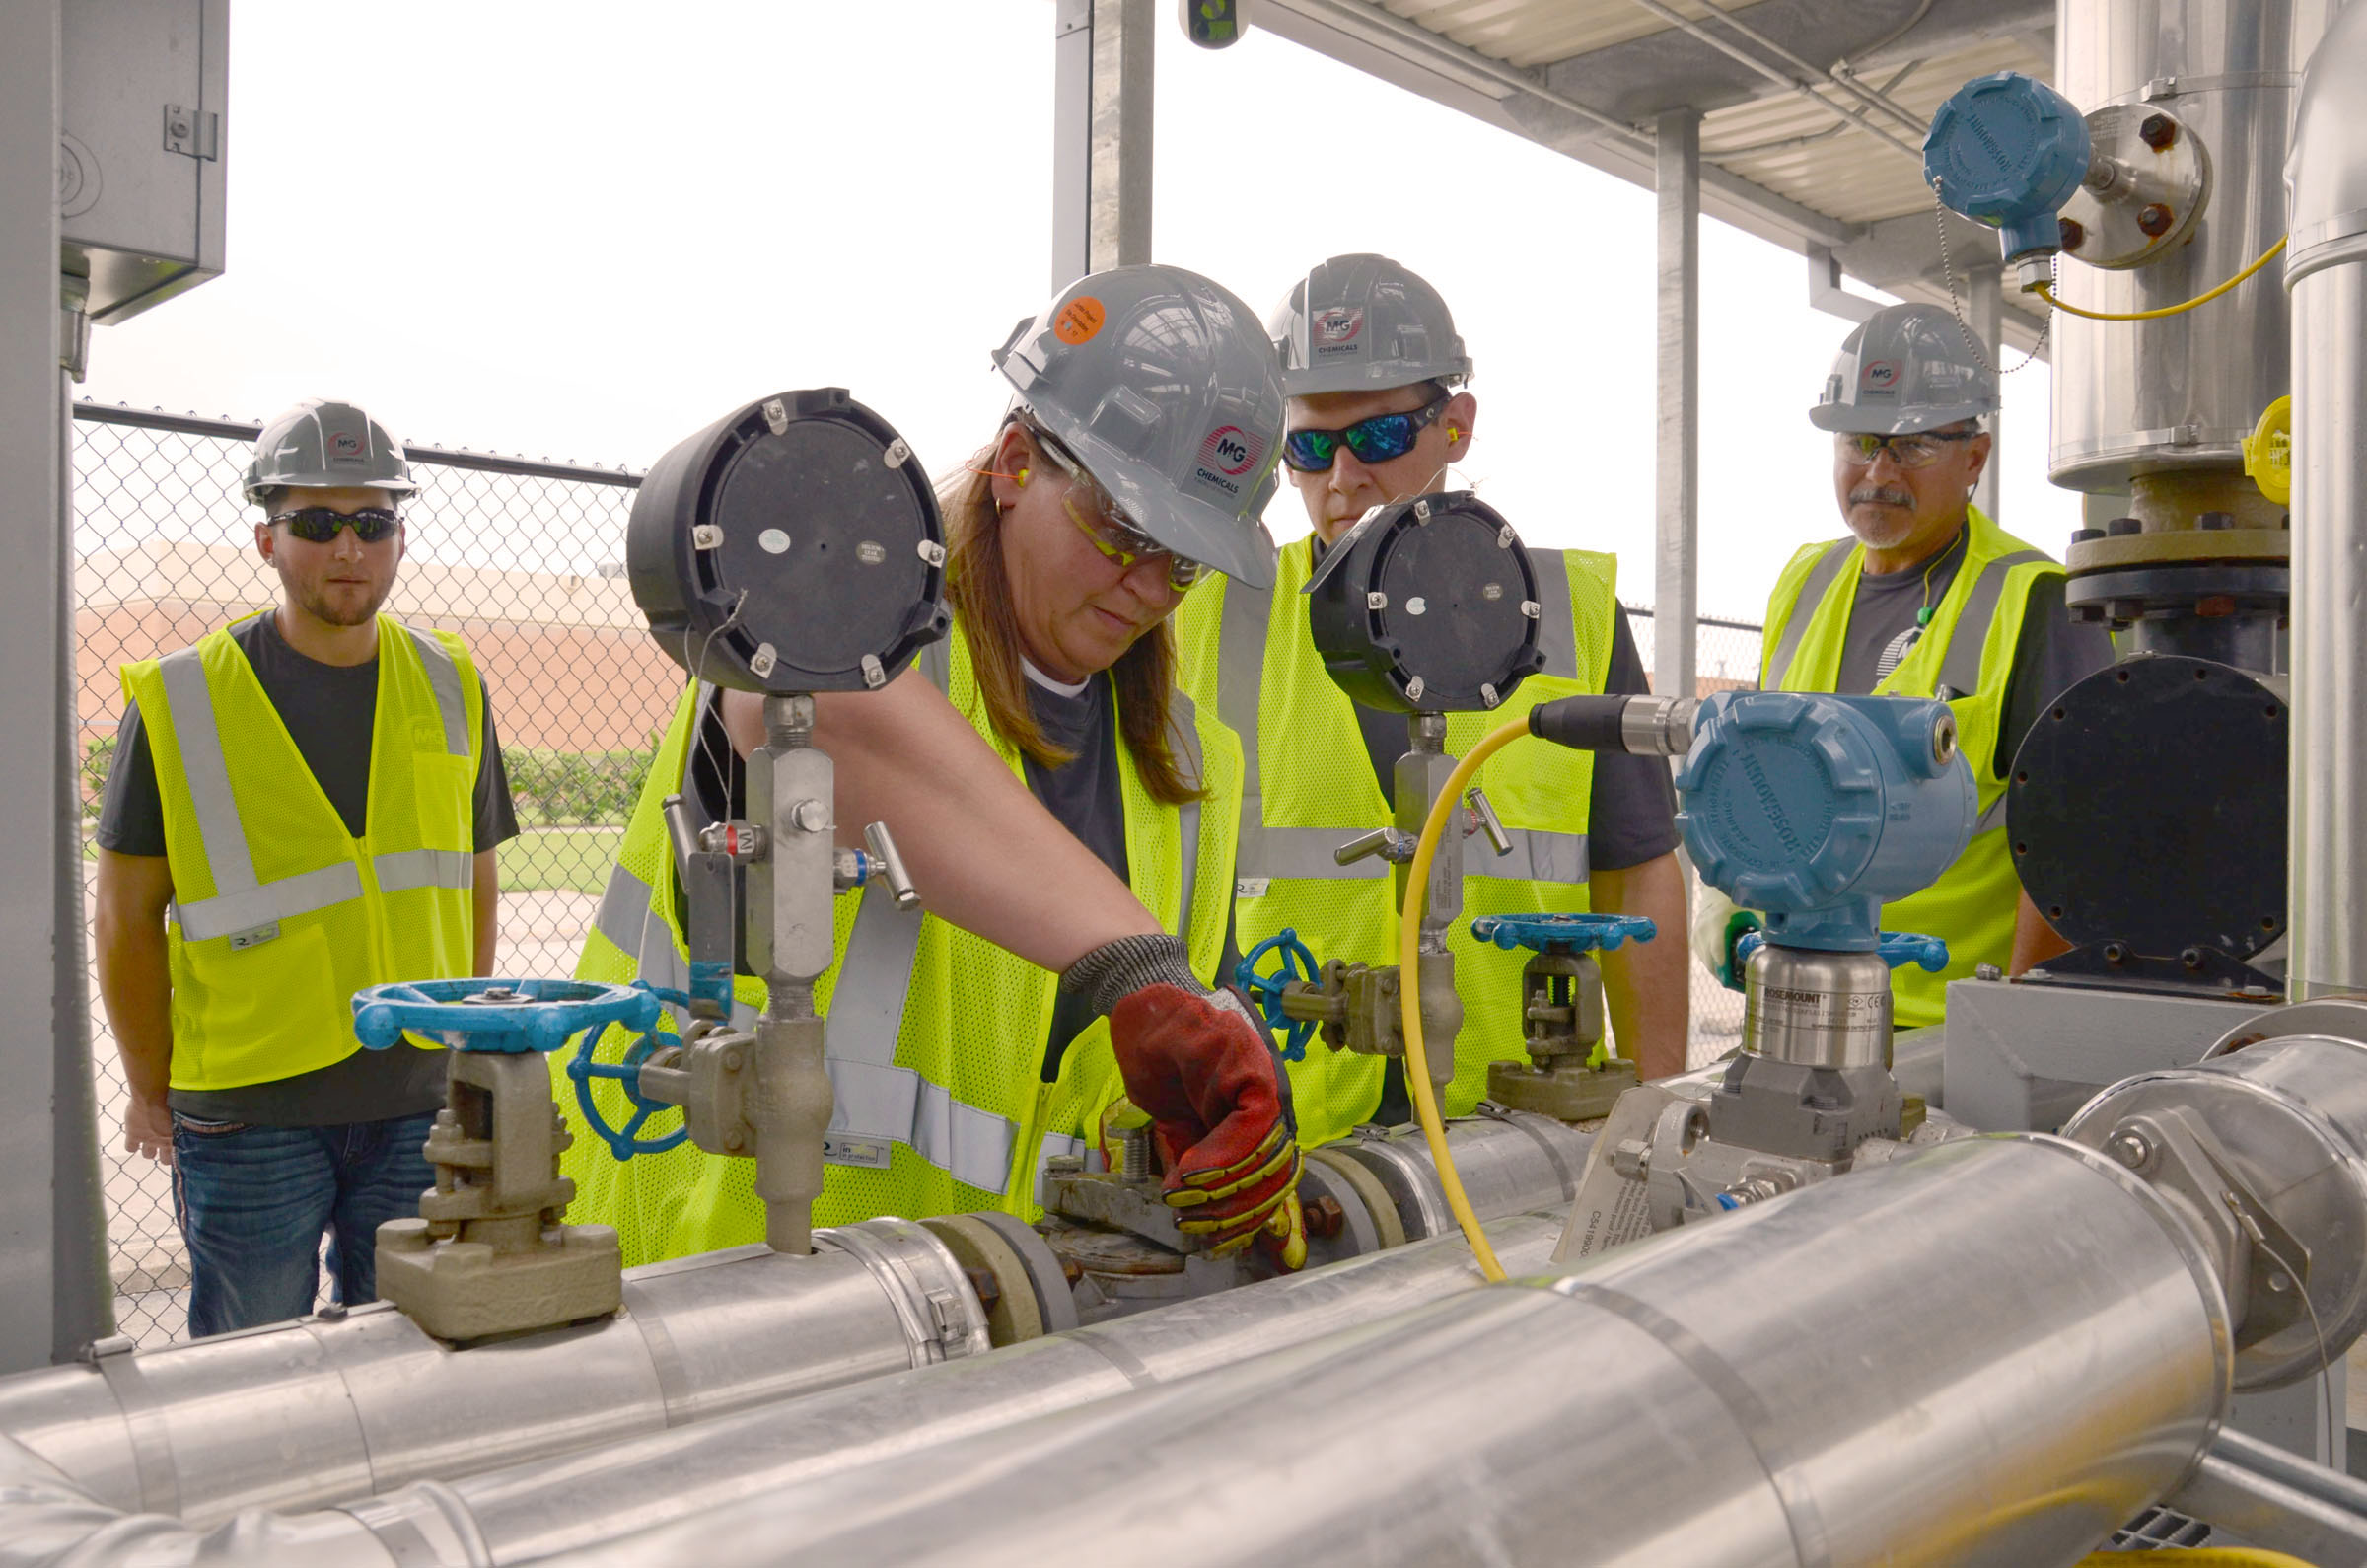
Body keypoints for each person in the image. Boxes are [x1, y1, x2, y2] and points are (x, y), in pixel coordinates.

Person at [565, 263, 1307, 1267]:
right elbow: (820, 718)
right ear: (1013, 464)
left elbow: (1094, 1060)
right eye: (1123, 530)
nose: (1146, 588)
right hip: (733, 1277)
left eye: (1183, 561)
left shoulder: (1185, 770)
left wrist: (1216, 1073)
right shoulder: (840, 650)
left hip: (986, 1296)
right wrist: (1142, 964)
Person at [1172, 252, 1692, 1153]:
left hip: (1526, 1119)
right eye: (1306, 446)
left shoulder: (1569, 615)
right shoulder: (1210, 615)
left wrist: (1660, 1115)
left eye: (1375, 440)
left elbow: (1639, 870)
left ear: (1456, 426)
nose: (1340, 478)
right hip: (1284, 1125)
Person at [92, 398, 520, 1336]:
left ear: (399, 537)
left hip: (416, 1101)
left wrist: (459, 1045)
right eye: (317, 523)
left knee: (410, 1349)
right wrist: (147, 1087)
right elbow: (125, 918)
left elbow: (472, 879)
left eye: (372, 523)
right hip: (250, 1114)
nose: (347, 549)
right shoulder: (182, 698)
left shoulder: (452, 683)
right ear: (266, 539)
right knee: (251, 1373)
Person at [1704, 302, 2115, 1028]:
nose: (1879, 472)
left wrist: (2014, 1034)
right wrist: (1731, 923)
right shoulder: (1803, 582)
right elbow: (1755, 779)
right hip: (1798, 1006)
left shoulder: (2037, 599)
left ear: (1975, 458)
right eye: (1860, 441)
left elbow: (2075, 841)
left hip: (1944, 1024)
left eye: (1914, 446)